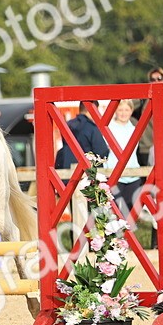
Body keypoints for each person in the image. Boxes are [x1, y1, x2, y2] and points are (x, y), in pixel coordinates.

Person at [54, 101, 109, 244]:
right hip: (87, 174)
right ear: (92, 110)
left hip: (67, 174)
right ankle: (94, 245)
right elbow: (102, 151)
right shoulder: (91, 127)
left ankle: (76, 244)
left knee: (76, 211)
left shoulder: (69, 125)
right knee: (93, 213)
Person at [107, 99, 143, 219]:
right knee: (115, 212)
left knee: (131, 214)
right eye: (120, 109)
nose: (123, 113)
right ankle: (116, 237)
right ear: (115, 111)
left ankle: (127, 237)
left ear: (131, 111)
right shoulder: (108, 129)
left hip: (133, 175)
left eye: (127, 110)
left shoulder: (134, 129)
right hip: (114, 174)